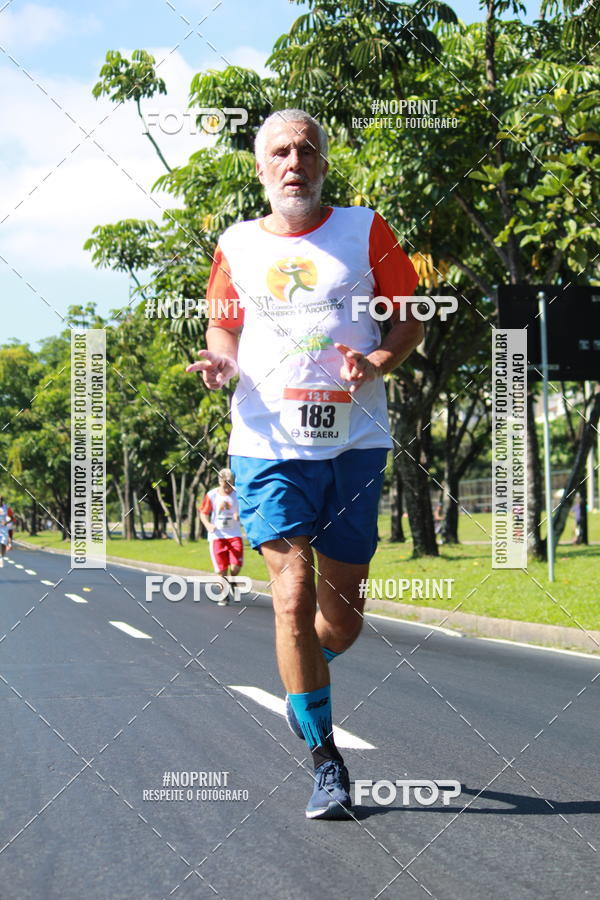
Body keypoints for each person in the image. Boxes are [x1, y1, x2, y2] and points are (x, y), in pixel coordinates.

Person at [187, 109, 423, 819]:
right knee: (289, 598)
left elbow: (408, 318)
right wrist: (221, 360)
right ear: (261, 169)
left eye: (307, 151)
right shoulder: (236, 244)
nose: (295, 162)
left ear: (324, 164)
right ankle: (326, 761)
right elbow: (224, 324)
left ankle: (301, 684)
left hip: (353, 444)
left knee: (340, 623)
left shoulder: (365, 230)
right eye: (281, 153)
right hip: (267, 443)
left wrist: (376, 360)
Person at [199, 469, 244, 605]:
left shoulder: (239, 493)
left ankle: (232, 579)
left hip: (234, 534)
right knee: (221, 569)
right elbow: (203, 513)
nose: (227, 488)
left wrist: (239, 515)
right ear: (219, 482)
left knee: (236, 566)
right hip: (217, 536)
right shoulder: (212, 495)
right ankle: (223, 595)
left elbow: (246, 508)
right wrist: (208, 525)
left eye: (229, 485)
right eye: (225, 485)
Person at [0, 498, 13, 567]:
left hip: (3, 528)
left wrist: (6, 522)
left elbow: (12, 518)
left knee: (3, 543)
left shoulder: (6, 508)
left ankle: (2, 557)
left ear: (2, 501)